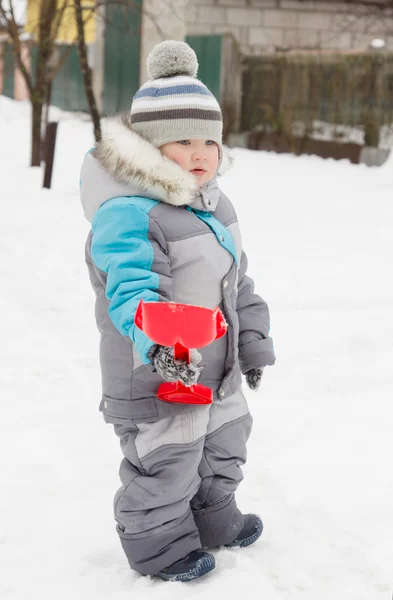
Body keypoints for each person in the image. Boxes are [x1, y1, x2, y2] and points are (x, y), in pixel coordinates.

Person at [80, 40, 275, 582]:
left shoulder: (216, 205)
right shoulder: (128, 215)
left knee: (224, 444)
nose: (200, 153)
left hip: (219, 365)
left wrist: (253, 342)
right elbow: (131, 293)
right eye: (182, 141)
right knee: (167, 460)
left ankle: (213, 520)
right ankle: (160, 548)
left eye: (208, 140)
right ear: (146, 148)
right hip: (157, 368)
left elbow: (238, 281)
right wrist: (164, 346)